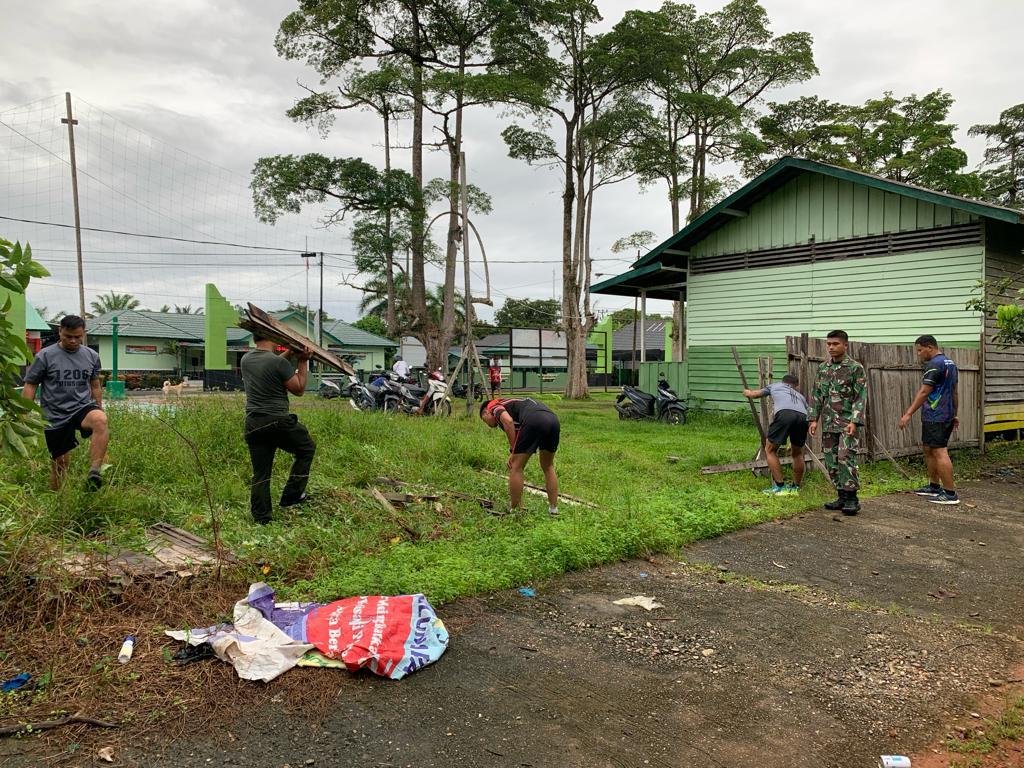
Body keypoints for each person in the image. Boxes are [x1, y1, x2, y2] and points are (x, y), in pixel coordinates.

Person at [21, 315, 109, 491]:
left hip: (81, 407)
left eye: (78, 337)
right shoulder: (45, 355)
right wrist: (23, 413)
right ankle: (57, 498)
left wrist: (98, 404)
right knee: (60, 464)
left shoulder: (91, 355)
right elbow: (31, 384)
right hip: (55, 414)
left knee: (100, 419)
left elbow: (95, 384)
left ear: (83, 334)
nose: (73, 341)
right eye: (68, 336)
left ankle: (94, 472)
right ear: (60, 331)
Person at [240, 333, 316, 524]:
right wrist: (302, 361)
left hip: (253, 423)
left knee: (261, 473)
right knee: (306, 448)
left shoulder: (246, 359)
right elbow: (298, 389)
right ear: (273, 337)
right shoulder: (278, 363)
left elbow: (273, 366)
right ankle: (292, 496)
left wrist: (290, 352)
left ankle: (262, 519)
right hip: (278, 421)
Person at [809, 330, 867, 515]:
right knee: (830, 459)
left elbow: (860, 397)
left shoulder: (855, 368)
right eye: (829, 344)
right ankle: (841, 496)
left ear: (845, 345)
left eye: (835, 344)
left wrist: (855, 422)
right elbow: (817, 394)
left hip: (847, 423)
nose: (831, 347)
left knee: (845, 457)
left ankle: (852, 499)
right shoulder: (823, 368)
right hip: (828, 422)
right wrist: (813, 419)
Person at [898, 335, 960, 505]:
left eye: (920, 350)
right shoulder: (950, 363)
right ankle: (934, 486)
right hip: (944, 414)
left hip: (936, 415)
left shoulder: (933, 365)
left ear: (930, 347)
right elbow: (954, 391)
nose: (918, 354)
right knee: (929, 449)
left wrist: (908, 413)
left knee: (939, 451)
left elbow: (924, 392)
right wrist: (954, 413)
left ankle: (950, 493)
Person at [479, 397, 560, 515]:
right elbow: (518, 432)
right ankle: (553, 509)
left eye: (484, 420)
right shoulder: (513, 404)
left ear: (486, 413)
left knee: (516, 467)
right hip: (553, 420)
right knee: (548, 466)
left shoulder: (493, 406)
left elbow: (508, 421)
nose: (488, 424)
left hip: (534, 420)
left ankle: (514, 509)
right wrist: (514, 451)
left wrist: (513, 452)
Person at [741, 373, 808, 496]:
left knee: (770, 450)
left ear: (783, 382)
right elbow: (806, 411)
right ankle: (795, 488)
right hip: (803, 417)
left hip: (784, 414)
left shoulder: (775, 386)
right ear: (796, 385)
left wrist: (747, 393)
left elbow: (754, 394)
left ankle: (780, 487)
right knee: (797, 453)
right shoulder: (801, 396)